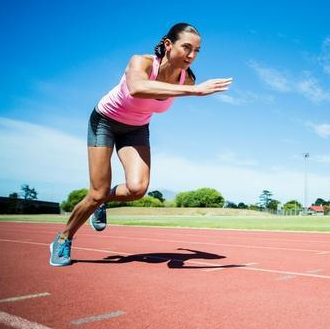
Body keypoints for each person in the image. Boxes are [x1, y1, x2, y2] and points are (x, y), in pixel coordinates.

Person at [50, 23, 232, 266]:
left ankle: (102, 202)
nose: (191, 56)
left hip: (136, 129)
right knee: (97, 192)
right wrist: (196, 91)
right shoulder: (142, 62)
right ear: (168, 44)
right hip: (105, 121)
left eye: (197, 51)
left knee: (137, 189)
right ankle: (63, 238)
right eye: (186, 47)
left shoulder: (186, 79)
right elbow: (137, 88)